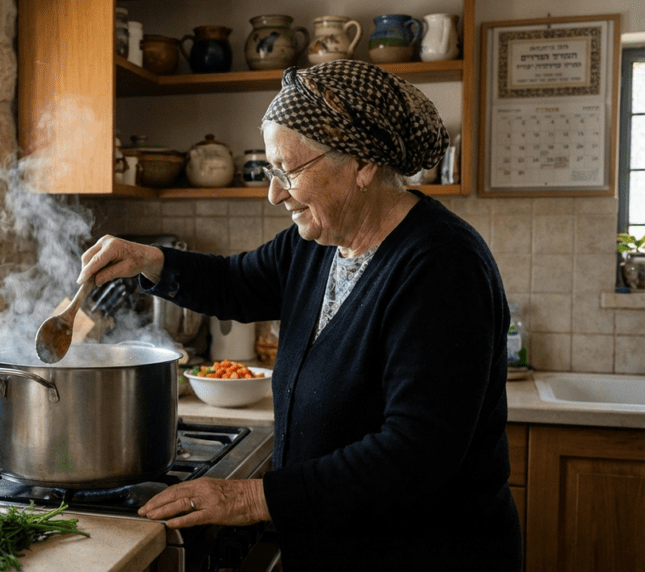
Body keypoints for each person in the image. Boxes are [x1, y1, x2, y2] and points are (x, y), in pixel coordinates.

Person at [77, 60, 522, 571]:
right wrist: (149, 261)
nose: (274, 193)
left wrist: (250, 498)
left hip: (428, 556)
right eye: (271, 171)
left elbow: (414, 454)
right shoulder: (319, 243)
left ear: (362, 163)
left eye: (289, 171)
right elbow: (237, 283)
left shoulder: (442, 266)